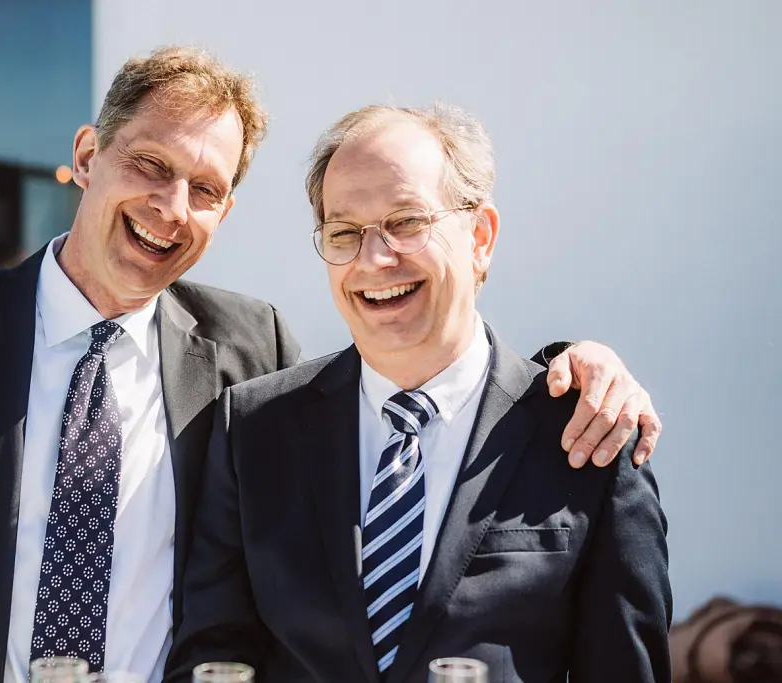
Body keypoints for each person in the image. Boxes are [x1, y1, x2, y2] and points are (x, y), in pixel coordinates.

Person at [0, 48, 661, 683]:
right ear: (89, 153)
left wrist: (575, 364)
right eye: (149, 165)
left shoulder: (249, 357)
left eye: (205, 189)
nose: (170, 208)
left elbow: (428, 376)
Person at [165, 103, 671, 682]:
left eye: (406, 222)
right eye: (345, 233)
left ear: (480, 236)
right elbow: (212, 659)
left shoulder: (588, 434)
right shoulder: (254, 432)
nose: (375, 259)